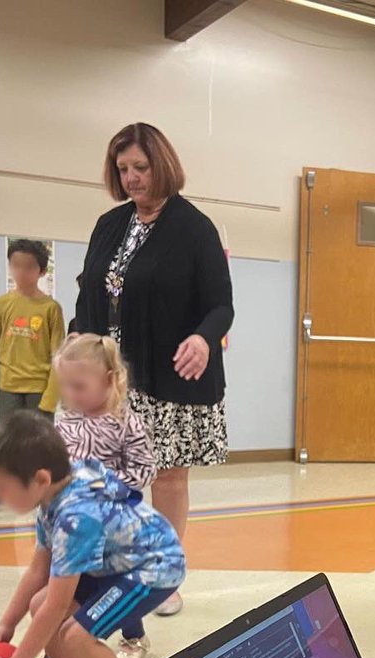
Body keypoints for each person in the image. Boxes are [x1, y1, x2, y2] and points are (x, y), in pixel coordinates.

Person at [74, 122, 233, 618]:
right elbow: (87, 293)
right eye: (122, 170)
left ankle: (164, 576)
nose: (131, 179)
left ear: (161, 165)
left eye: (140, 167)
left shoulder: (194, 227)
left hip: (169, 376)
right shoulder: (109, 224)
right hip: (111, 376)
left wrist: (203, 339)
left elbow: (220, 305)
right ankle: (114, 569)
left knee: (167, 477)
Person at [0, 412, 185, 658]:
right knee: (37, 602)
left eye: (2, 487)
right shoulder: (52, 496)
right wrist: (6, 625)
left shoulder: (76, 517)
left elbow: (59, 606)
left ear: (40, 479)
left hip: (152, 569)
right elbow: (38, 572)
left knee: (76, 635)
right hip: (115, 563)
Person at [53, 333, 158, 658]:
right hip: (75, 523)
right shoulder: (64, 418)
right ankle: (59, 648)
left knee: (115, 581)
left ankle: (134, 634)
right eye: (65, 386)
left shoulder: (126, 422)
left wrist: (105, 487)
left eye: (79, 386)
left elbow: (144, 470)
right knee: (69, 585)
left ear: (109, 380)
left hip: (116, 523)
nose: (71, 394)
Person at [0, 239, 65, 513]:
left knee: (40, 444)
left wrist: (51, 397)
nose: (22, 272)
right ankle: (3, 491)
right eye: (16, 265)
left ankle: (45, 492)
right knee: (7, 442)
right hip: (9, 387)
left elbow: (58, 355)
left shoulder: (50, 308)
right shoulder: (0, 305)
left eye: (29, 267)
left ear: (41, 271)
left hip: (39, 388)